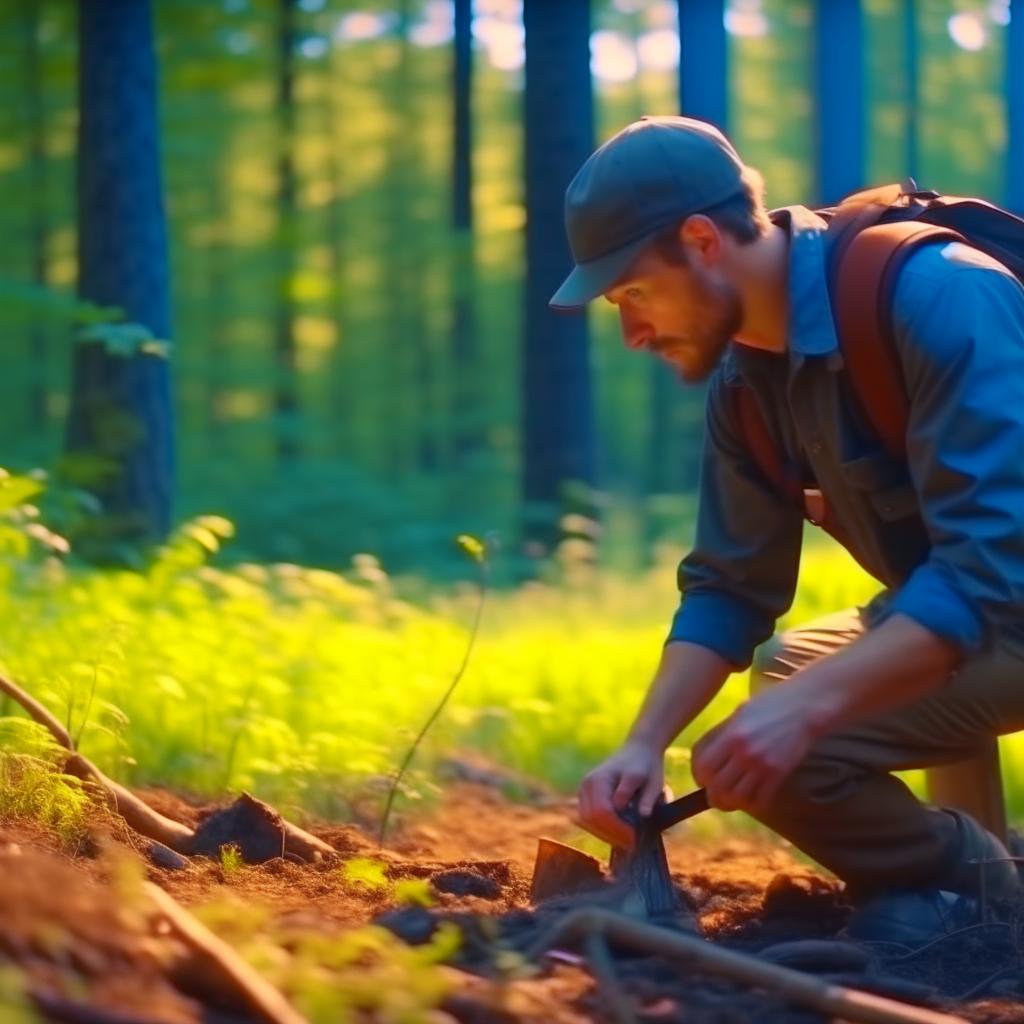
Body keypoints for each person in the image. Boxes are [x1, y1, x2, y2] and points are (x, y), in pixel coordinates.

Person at [550, 115, 1024, 943]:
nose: (631, 333)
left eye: (632, 294)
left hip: (1003, 594)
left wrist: (808, 714)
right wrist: (645, 747)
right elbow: (730, 589)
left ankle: (980, 890)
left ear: (700, 240)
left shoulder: (937, 291)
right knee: (785, 675)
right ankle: (976, 882)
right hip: (989, 610)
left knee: (799, 724)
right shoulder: (747, 382)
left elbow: (991, 567)